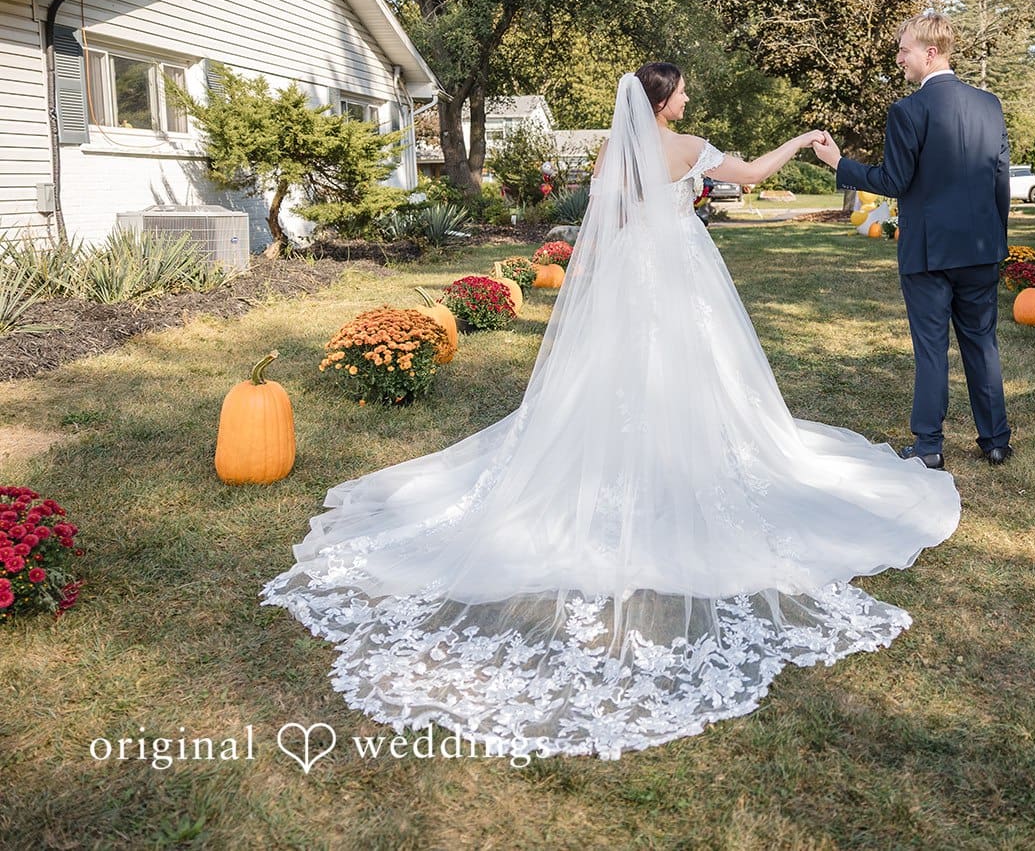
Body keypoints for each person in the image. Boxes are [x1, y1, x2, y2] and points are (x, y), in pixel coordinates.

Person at [262, 64, 961, 761]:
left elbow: (605, 221)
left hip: (630, 275)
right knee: (697, 376)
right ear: (662, 102)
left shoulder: (614, 152)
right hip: (682, 273)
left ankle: (636, 467)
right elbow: (747, 176)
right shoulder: (686, 148)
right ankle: (681, 469)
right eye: (683, 89)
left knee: (620, 380)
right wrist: (803, 138)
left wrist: (592, 289)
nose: (690, 96)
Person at [812, 13, 1012, 470]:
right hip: (981, 249)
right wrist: (995, 238)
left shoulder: (908, 111)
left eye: (904, 49)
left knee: (931, 347)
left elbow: (894, 180)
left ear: (929, 52)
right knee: (982, 342)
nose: (898, 57)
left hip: (928, 252)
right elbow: (999, 179)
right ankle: (995, 440)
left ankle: (929, 446)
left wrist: (839, 162)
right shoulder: (990, 105)